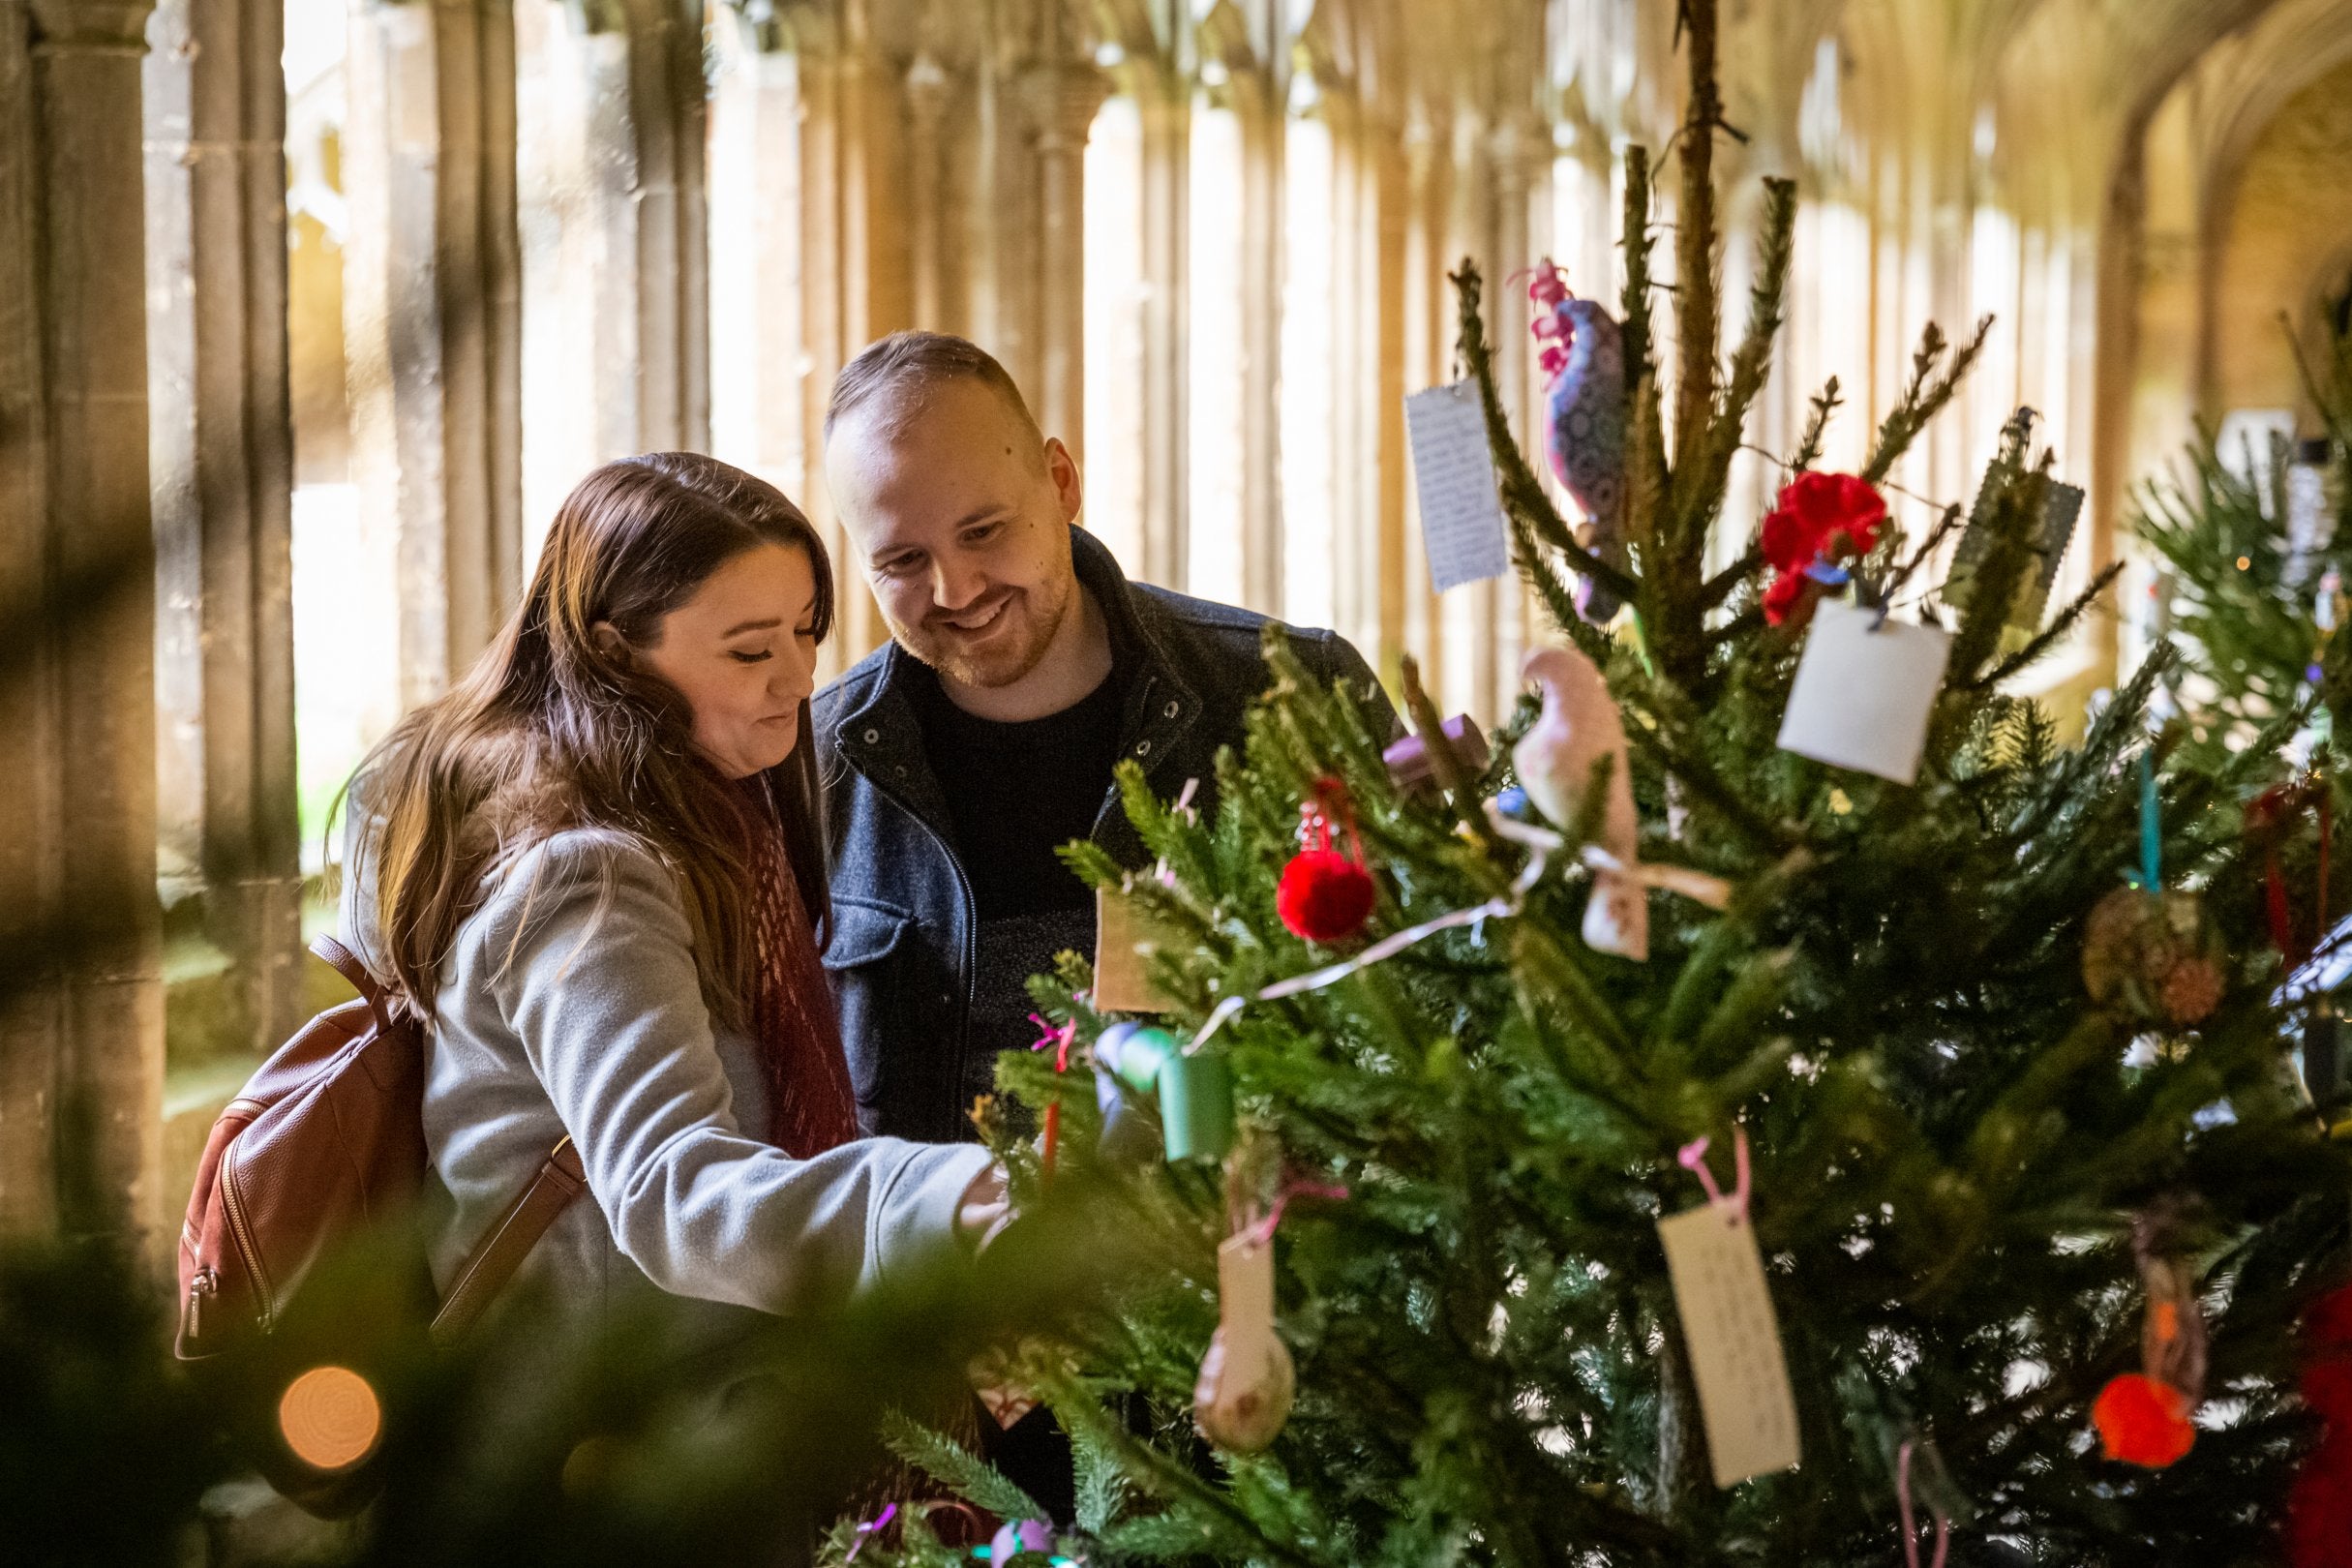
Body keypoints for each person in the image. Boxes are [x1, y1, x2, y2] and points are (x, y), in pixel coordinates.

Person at [812, 332, 1394, 1511]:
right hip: (949, 1410)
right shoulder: (820, 770)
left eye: (985, 533)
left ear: (1063, 484)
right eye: (903, 563)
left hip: (1256, 1373)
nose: (958, 594)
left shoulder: (1288, 693)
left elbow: (1412, 1018)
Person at [340, 452, 1006, 1364]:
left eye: (808, 631)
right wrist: (959, 1198)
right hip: (613, 1427)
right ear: (615, 650)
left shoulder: (696, 800)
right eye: (749, 649)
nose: (799, 679)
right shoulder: (588, 879)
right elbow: (672, 1190)